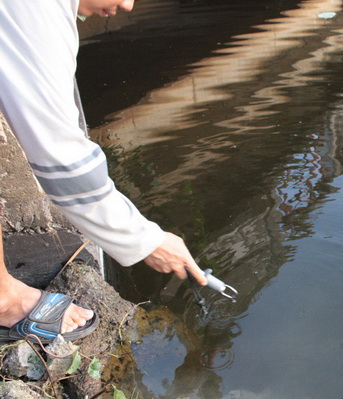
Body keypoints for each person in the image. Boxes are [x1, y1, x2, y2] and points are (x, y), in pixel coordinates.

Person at [0, 0, 208, 343]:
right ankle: (6, 302)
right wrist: (147, 240)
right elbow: (61, 159)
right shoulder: (35, 12)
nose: (127, 5)